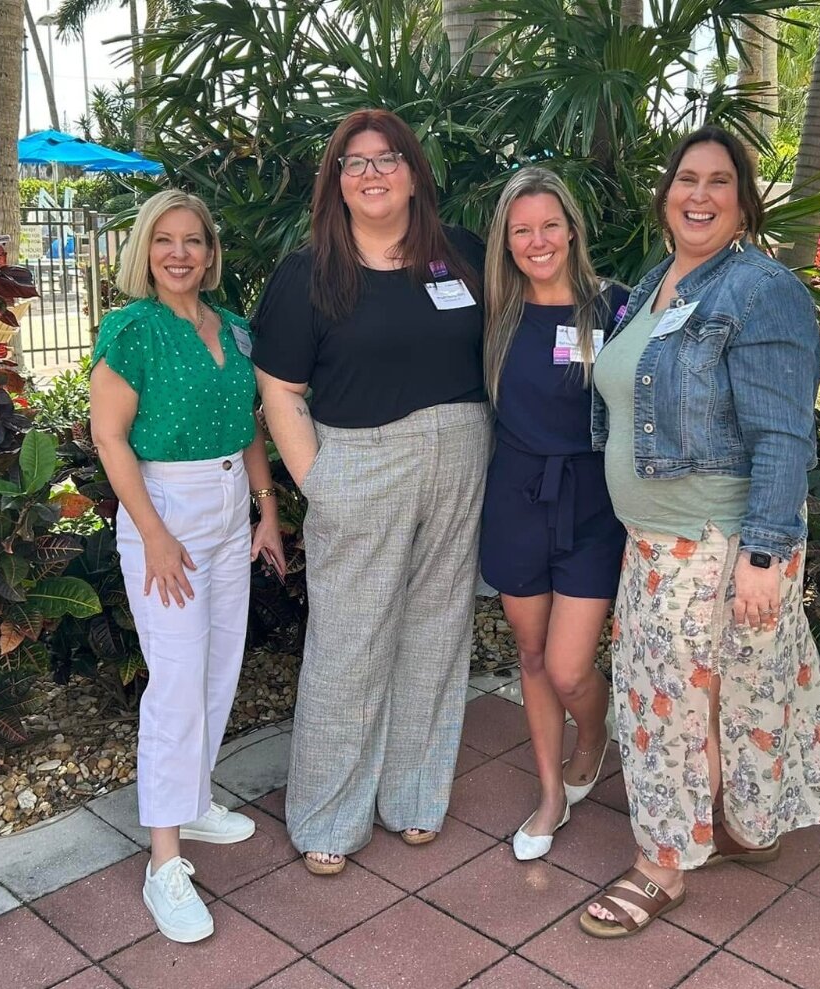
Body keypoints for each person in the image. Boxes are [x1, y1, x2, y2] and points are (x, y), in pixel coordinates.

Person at [581, 127, 820, 937]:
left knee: (661, 702)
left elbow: (783, 433)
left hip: (719, 540)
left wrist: (764, 555)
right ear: (666, 194)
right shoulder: (655, 280)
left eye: (719, 182)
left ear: (743, 204)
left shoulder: (759, 289)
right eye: (685, 179)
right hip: (653, 538)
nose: (698, 194)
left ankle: (660, 866)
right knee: (718, 692)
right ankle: (742, 824)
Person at [253, 109, 491, 876]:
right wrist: (318, 480)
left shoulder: (463, 255)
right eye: (353, 164)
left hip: (460, 453)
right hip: (359, 462)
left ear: (414, 172)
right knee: (348, 643)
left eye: (387, 159)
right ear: (336, 183)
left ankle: (414, 795)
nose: (372, 173)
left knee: (437, 628)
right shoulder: (308, 273)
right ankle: (328, 811)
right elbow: (281, 390)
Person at [88, 190, 286, 943]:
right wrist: (155, 533)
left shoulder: (235, 330)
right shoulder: (131, 329)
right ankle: (163, 862)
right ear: (147, 249)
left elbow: (251, 428)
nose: (180, 253)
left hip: (229, 504)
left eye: (193, 241)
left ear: (210, 252)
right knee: (174, 680)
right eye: (165, 240)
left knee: (218, 666)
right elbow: (110, 439)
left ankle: (193, 798)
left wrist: (267, 510)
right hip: (162, 507)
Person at [477, 168, 628, 862]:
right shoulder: (495, 318)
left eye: (548, 225)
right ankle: (548, 793)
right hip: (515, 500)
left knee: (570, 669)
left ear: (571, 228)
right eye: (522, 230)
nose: (537, 241)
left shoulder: (613, 310)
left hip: (592, 505)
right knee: (532, 656)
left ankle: (592, 734)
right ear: (507, 243)